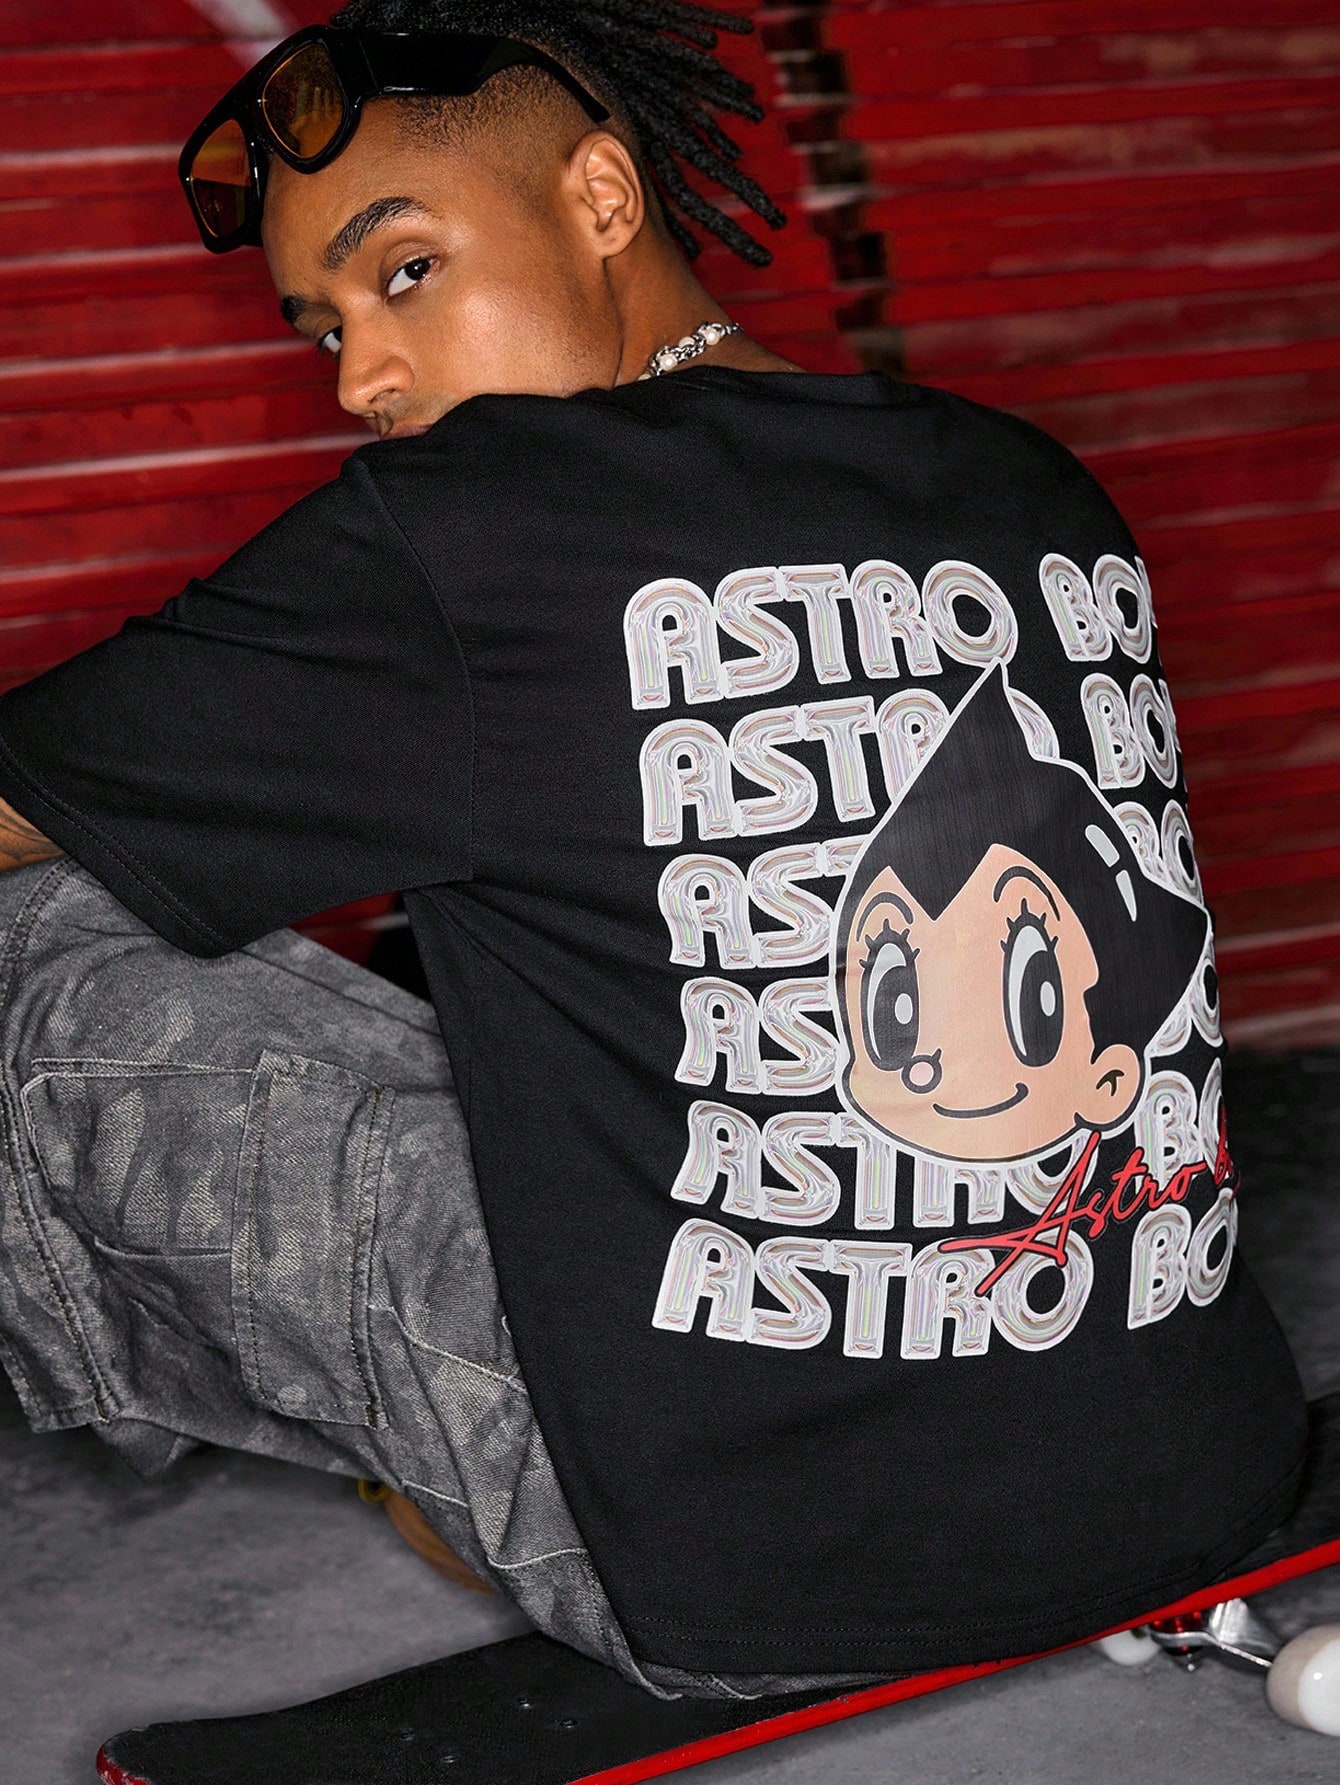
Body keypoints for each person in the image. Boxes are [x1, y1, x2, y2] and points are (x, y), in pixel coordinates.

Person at [0, 0, 1308, 1711]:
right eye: (324, 325)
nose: (362, 376)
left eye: (404, 274)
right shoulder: (1026, 480)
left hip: (759, 1569)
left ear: (603, 198)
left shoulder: (459, 530)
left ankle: (473, 1475)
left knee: (41, 953)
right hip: (1193, 1470)